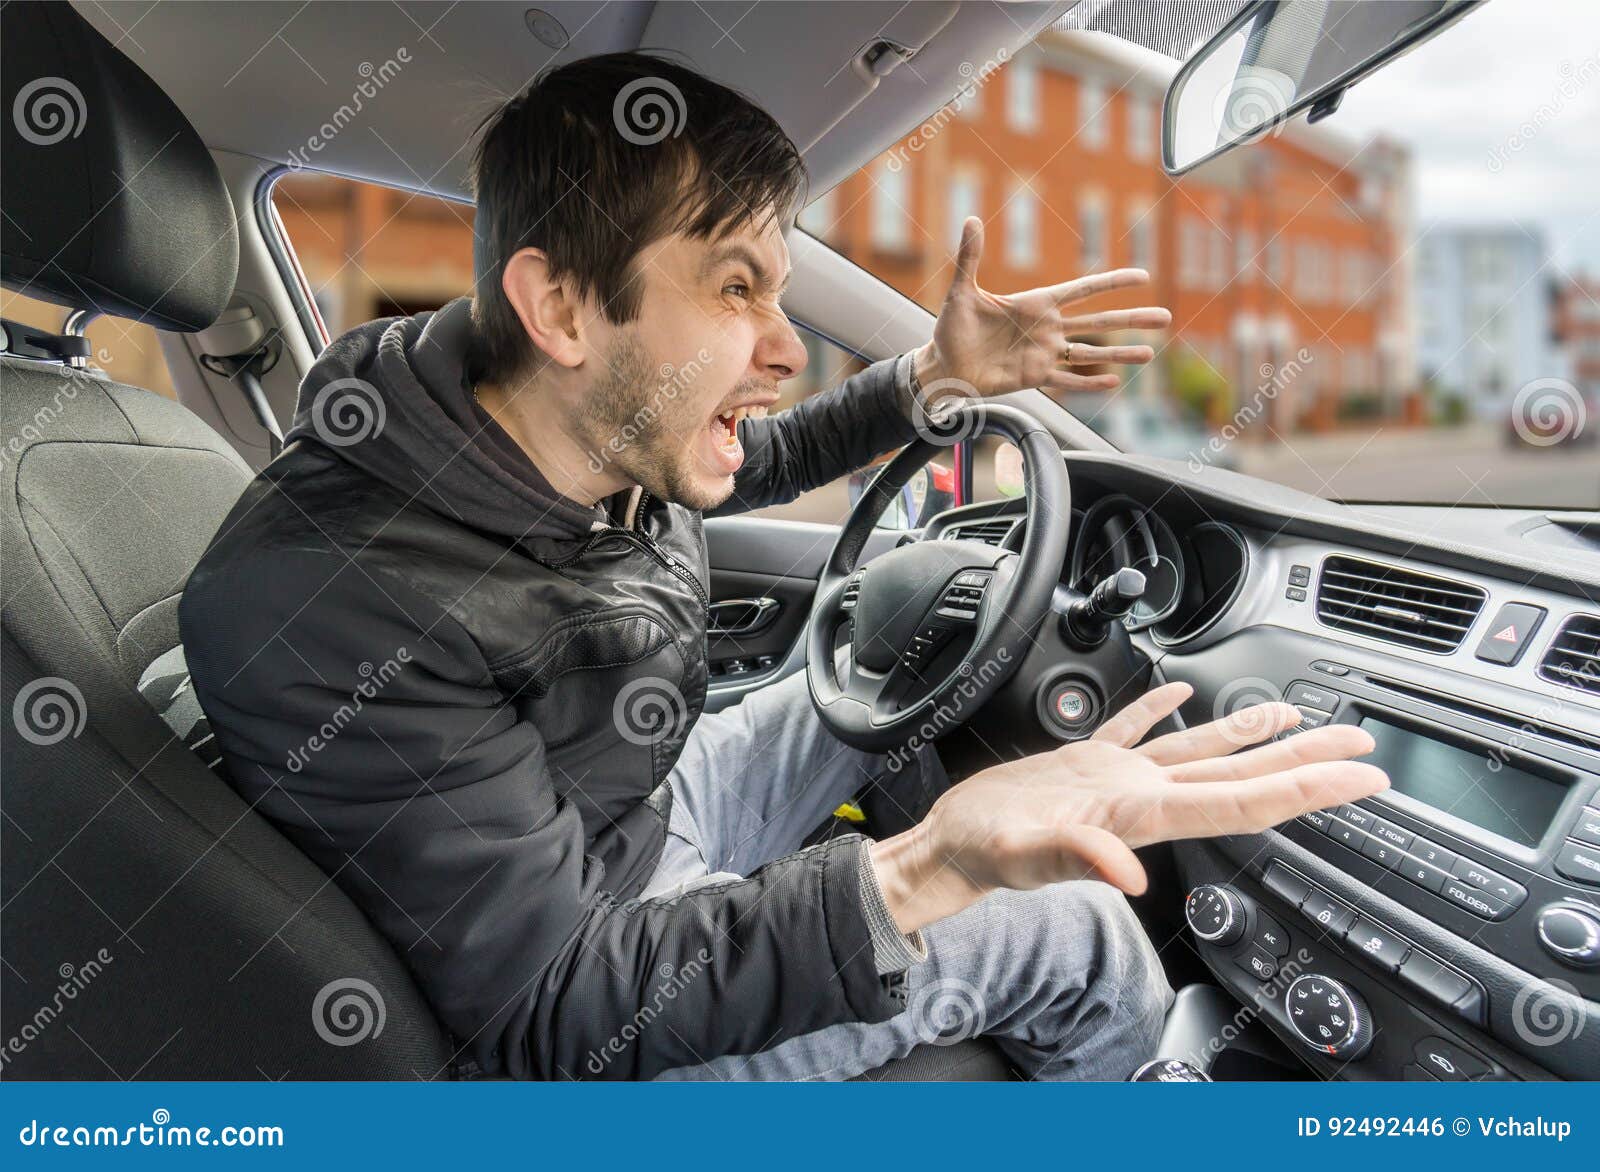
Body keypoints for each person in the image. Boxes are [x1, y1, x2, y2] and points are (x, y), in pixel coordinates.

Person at [180, 52, 1387, 1081]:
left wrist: (930, 379)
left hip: (632, 813)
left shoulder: (556, 415)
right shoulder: (336, 597)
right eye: (736, 289)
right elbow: (548, 1003)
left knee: (896, 656)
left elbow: (738, 462)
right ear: (559, 307)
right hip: (601, 996)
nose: (782, 347)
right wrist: (928, 865)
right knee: (1074, 932)